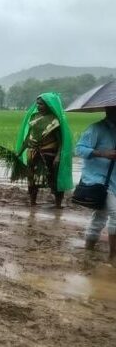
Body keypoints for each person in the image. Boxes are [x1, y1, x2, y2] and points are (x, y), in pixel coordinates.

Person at [15, 92, 73, 208]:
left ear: (48, 105)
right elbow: (28, 138)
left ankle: (58, 204)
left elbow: (60, 142)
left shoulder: (55, 120)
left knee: (53, 178)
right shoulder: (34, 117)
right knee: (32, 179)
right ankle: (32, 202)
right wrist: (19, 153)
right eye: (37, 104)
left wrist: (58, 156)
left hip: (49, 155)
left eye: (41, 104)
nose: (38, 106)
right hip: (33, 153)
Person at [76, 106, 116, 260]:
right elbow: (79, 149)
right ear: (109, 110)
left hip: (113, 180)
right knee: (115, 213)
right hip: (98, 179)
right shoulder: (96, 129)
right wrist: (103, 153)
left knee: (100, 215)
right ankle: (112, 257)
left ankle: (89, 248)